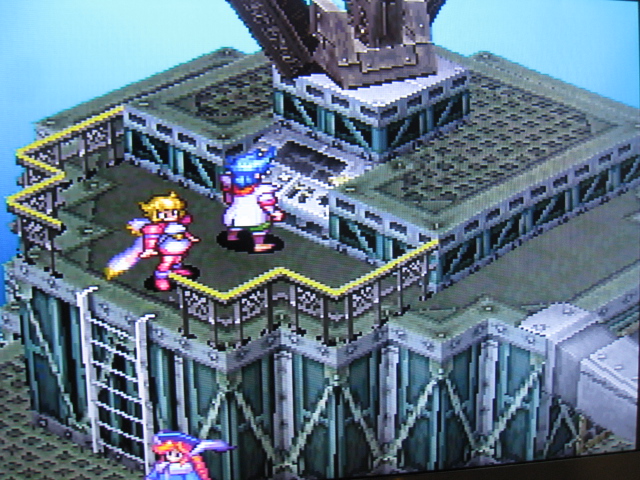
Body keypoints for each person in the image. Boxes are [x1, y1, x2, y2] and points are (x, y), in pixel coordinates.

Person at [105, 191, 199, 291]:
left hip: (180, 246)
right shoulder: (157, 227)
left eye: (173, 212)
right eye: (165, 213)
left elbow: (183, 231)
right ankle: (161, 278)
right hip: (168, 248)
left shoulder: (177, 223)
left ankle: (176, 268)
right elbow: (151, 238)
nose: (171, 215)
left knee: (178, 258)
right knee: (167, 262)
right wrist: (149, 249)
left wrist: (190, 238)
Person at [220, 146, 284, 253]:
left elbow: (228, 197)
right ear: (256, 175)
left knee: (235, 226)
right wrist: (274, 212)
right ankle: (258, 245)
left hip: (234, 214)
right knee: (259, 230)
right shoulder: (263, 190)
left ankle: (231, 236)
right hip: (255, 217)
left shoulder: (230, 183)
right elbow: (266, 204)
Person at [146, 430, 235, 480]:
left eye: (177, 454)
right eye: (169, 453)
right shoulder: (161, 467)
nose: (172, 457)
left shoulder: (186, 469)